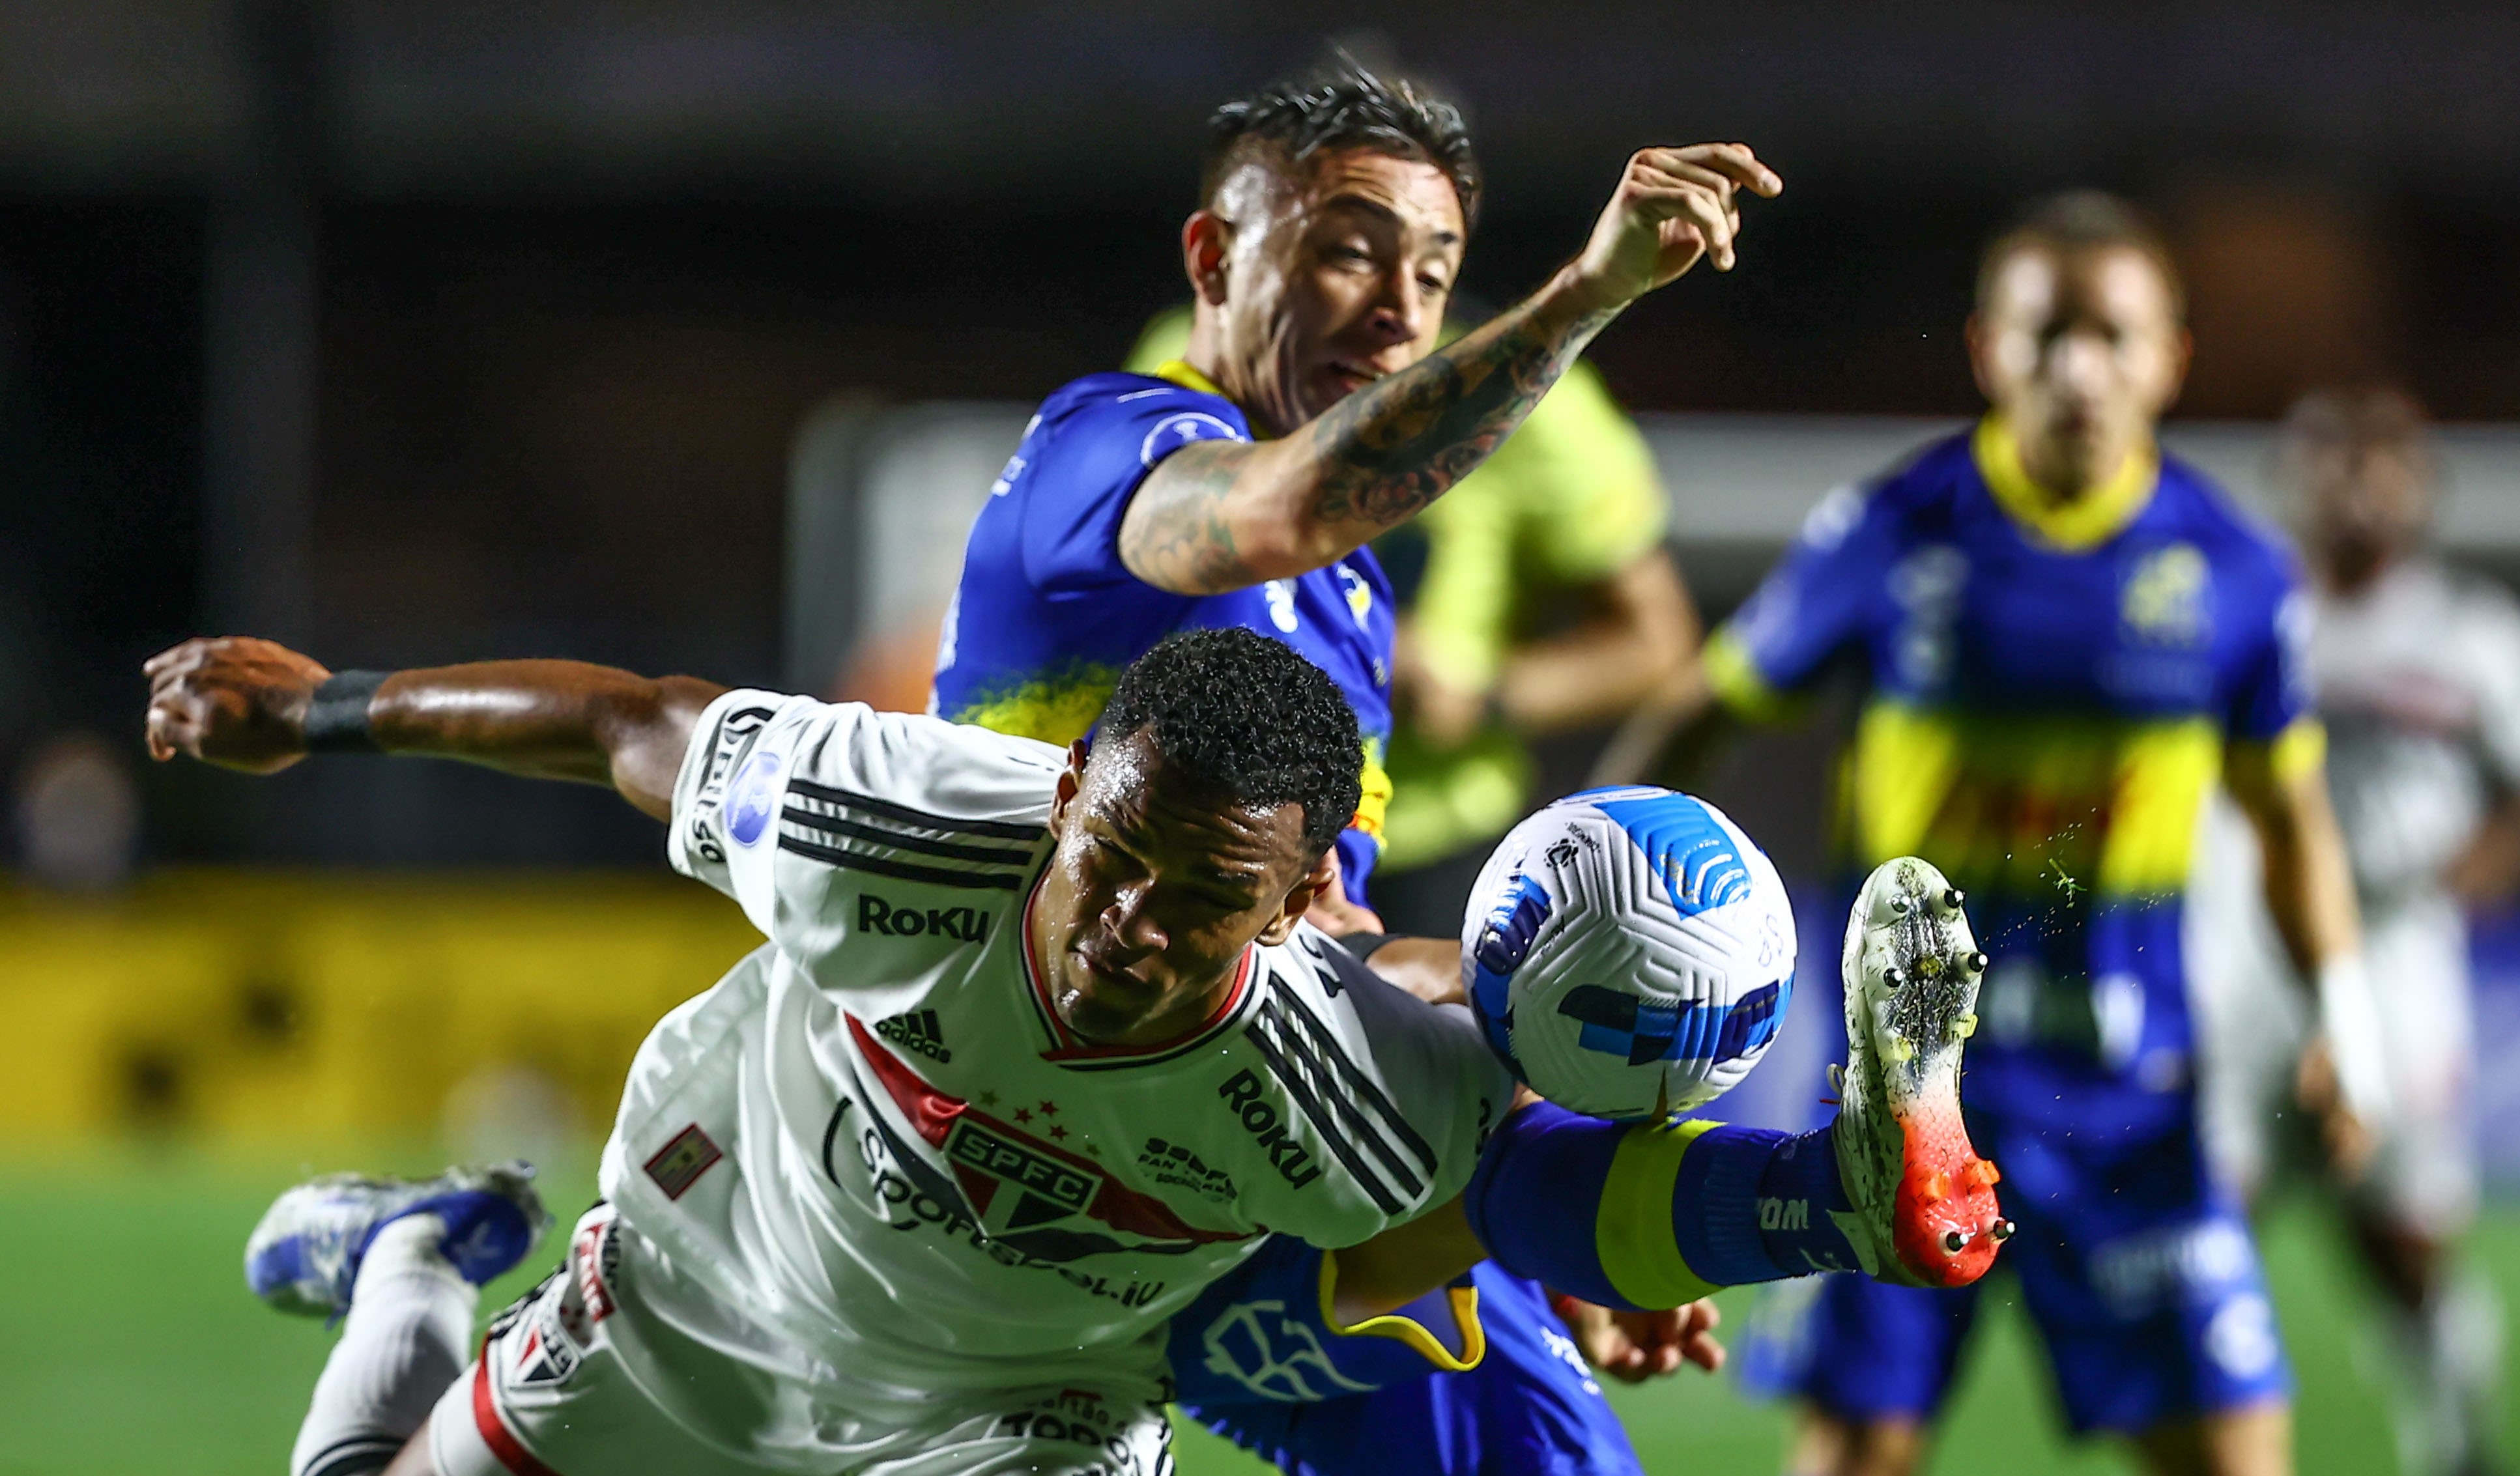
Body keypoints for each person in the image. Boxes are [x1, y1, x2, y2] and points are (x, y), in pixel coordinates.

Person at [147, 627, 2006, 1476]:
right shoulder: (891, 821)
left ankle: (1851, 1184)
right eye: (1106, 855)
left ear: (1290, 917)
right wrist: (322, 710)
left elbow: (1545, 1193)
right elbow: (631, 725)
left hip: (1008, 1422)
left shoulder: (1344, 1077)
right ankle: (405, 1253)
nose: (1123, 922)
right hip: (711, 1279)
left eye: (1199, 901)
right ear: (1065, 796)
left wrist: (1817, 1211)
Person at [931, 64, 1753, 1473]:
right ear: (1214, 255)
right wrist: (1588, 292)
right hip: (979, 1160)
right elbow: (1282, 504)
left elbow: (1333, 949)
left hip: (1203, 1156)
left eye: (1434, 268)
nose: (1400, 306)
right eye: (1349, 252)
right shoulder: (1111, 448)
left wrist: (1550, 1186)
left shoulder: (1349, 609)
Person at [1599, 192, 2393, 1476]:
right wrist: (1615, 887)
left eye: (2109, 336)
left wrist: (2343, 1028)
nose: (2075, 368)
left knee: (2238, 1454)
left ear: (2167, 360)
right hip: (1901, 1102)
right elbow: (1698, 711)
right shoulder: (1892, 534)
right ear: (1985, 348)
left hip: (2128, 1114)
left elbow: (2288, 814)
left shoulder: (2232, 572)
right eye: (2044, 334)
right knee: (1857, 1449)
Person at [2188, 388, 2520, 1476]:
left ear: (2420, 486)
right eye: (2335, 465)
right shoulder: (2239, 606)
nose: (2358, 490)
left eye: (2382, 466)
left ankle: (2458, 1442)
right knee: (2206, 1221)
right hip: (2247, 965)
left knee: (2404, 1237)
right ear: (2296, 480)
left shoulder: (2471, 630)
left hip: (2398, 961)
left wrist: (2494, 853)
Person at [1120, 303, 1702, 938]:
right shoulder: (1192, 354)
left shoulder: (1539, 402)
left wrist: (1479, 698)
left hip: (1432, 843)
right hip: (1208, 818)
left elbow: (1656, 639)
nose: (1386, 284)